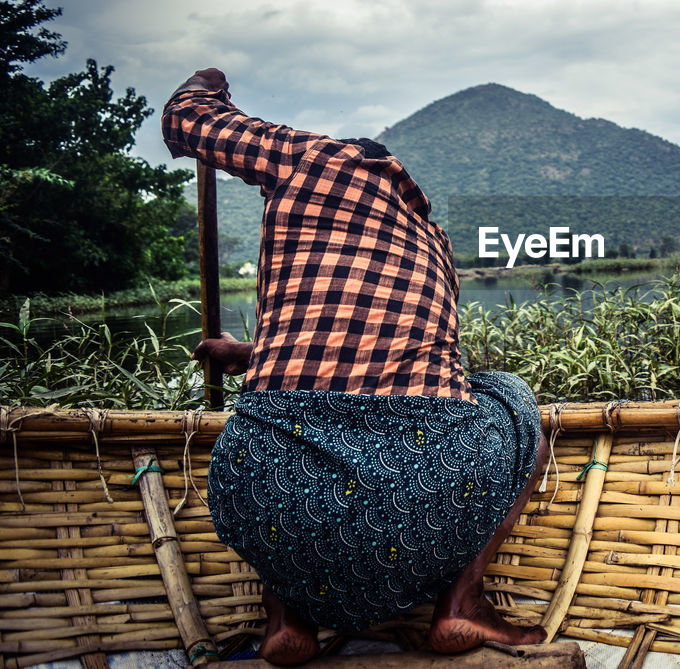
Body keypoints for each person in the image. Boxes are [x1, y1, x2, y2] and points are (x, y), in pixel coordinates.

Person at [163, 68, 547, 664]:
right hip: (423, 494)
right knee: (506, 393)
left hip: (270, 489)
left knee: (274, 431)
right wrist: (248, 355)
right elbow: (389, 361)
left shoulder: (311, 159)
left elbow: (184, 118)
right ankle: (461, 603)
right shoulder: (433, 242)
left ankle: (287, 621)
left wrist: (208, 82)